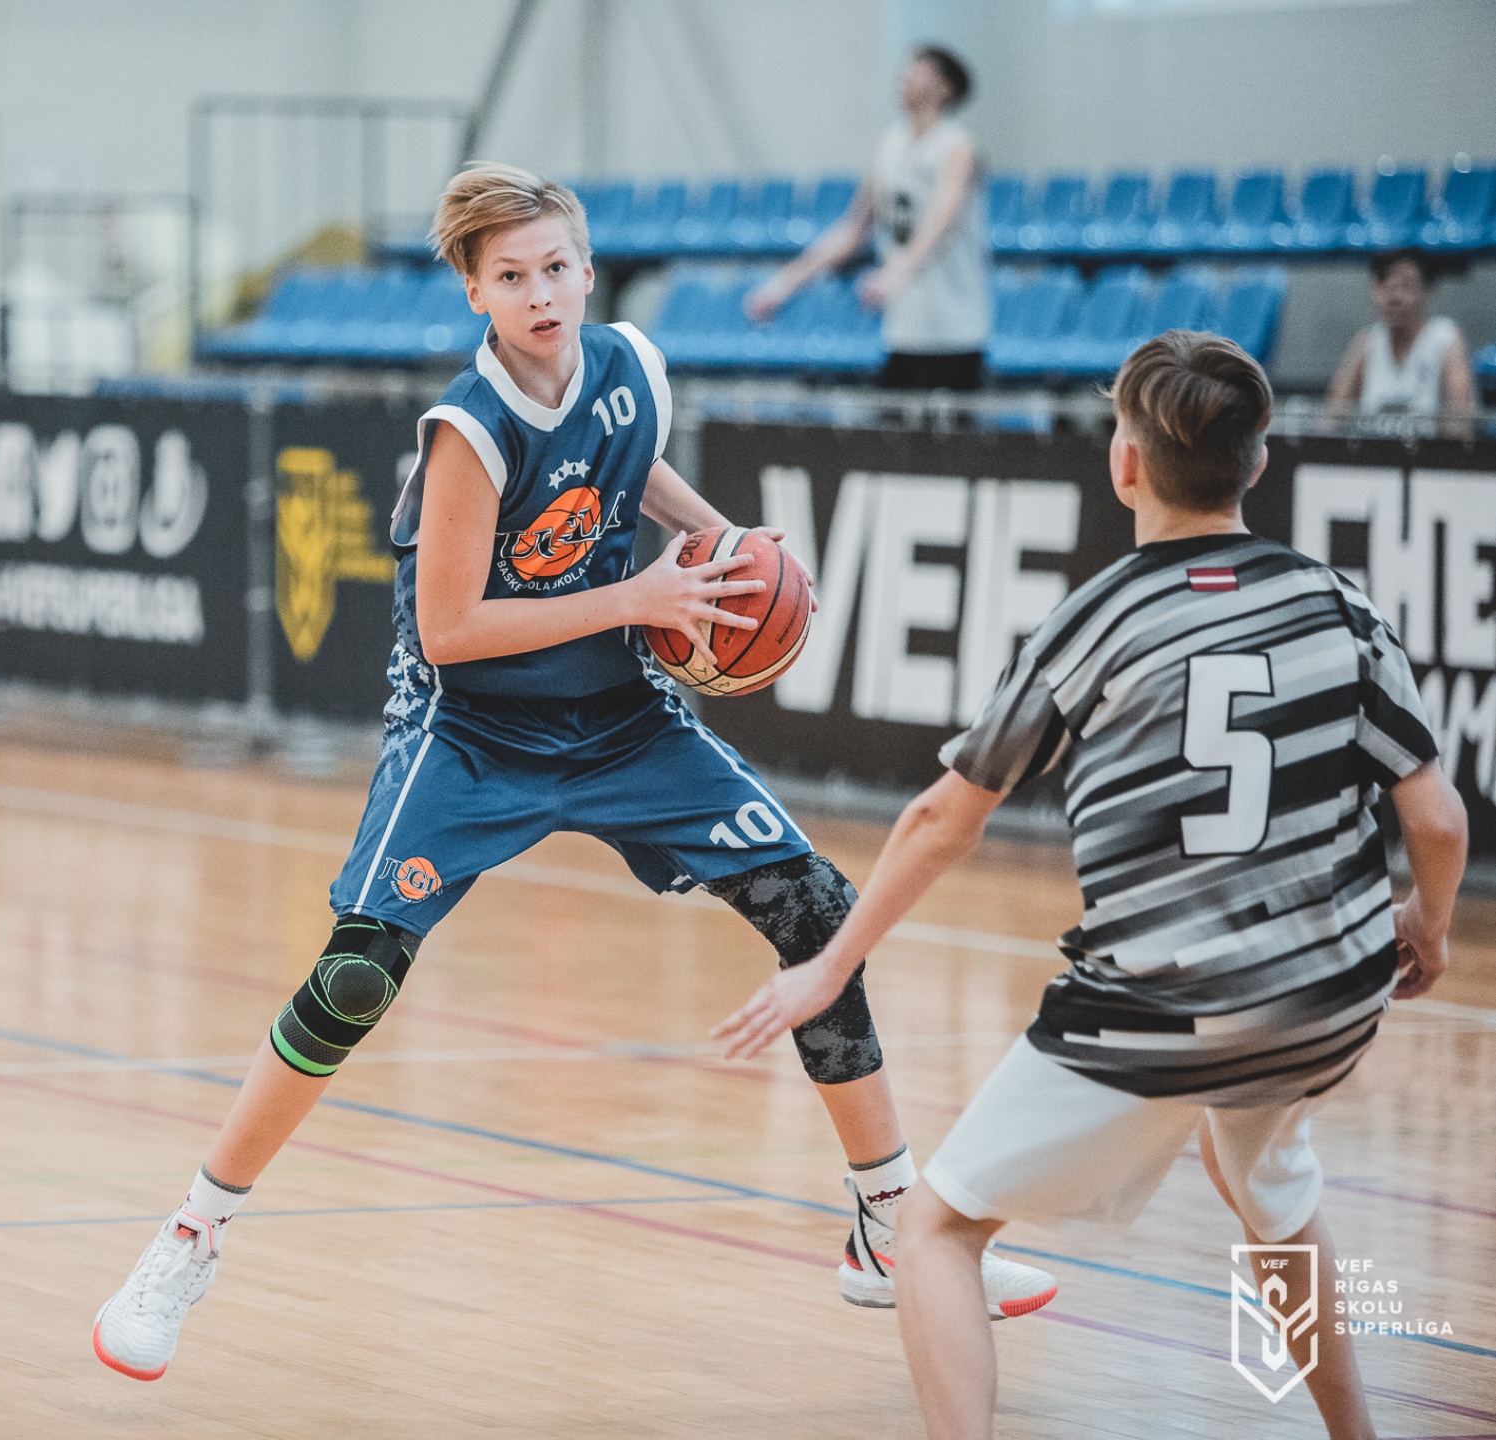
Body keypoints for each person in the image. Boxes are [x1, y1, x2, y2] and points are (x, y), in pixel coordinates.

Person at [90, 162, 1055, 1384]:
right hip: (470, 733)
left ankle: (885, 1221)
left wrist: (721, 550)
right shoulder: (469, 431)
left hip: (614, 717)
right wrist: (637, 595)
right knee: (354, 976)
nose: (539, 293)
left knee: (815, 908)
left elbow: (632, 467)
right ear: (473, 293)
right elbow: (450, 631)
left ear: (589, 270)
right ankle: (191, 1233)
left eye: (555, 267)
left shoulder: (630, 364)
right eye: (511, 277)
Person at [714, 329, 1467, 1440]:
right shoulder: (1339, 604)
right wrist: (1427, 928)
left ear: (1123, 464)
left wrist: (830, 966)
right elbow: (1437, 819)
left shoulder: (1095, 620)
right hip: (1331, 997)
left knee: (929, 1232)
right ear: (1258, 464)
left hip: (1164, 1007)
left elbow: (941, 818)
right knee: (1267, 1183)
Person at [745, 45, 990, 391]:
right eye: (906, 71)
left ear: (945, 88)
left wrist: (896, 273)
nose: (906, 78)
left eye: (919, 72)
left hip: (955, 328)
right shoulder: (889, 144)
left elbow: (941, 222)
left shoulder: (956, 145)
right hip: (903, 328)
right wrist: (784, 284)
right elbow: (853, 229)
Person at [1325, 248, 1474, 426]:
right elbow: (1331, 418)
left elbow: (1461, 422)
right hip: (1372, 444)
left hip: (1428, 444)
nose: (1394, 298)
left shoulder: (1445, 339)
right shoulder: (1366, 342)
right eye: (1385, 286)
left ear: (1429, 289)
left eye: (1406, 286)